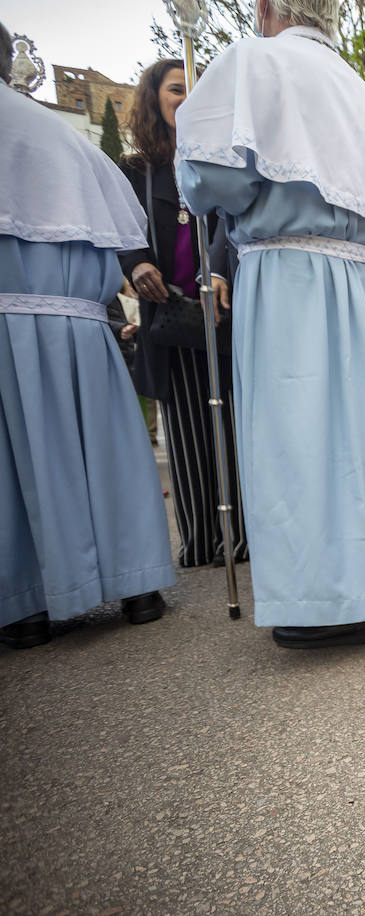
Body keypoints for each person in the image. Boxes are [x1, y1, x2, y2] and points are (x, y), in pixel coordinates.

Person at [173, 0, 365, 649]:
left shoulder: (253, 60)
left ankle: (320, 599)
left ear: (265, 8)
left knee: (296, 432)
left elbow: (212, 179)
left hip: (289, 273)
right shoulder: (360, 92)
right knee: (364, 438)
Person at [0, 22, 175, 650]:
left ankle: (23, 601)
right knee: (105, 445)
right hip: (80, 320)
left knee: (19, 461)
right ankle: (137, 585)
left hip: (16, 324)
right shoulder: (63, 139)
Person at [118, 58, 249, 569]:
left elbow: (229, 228)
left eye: (195, 91)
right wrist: (136, 263)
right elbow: (122, 235)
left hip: (219, 311)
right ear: (154, 99)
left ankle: (240, 534)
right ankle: (199, 538)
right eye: (176, 90)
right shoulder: (134, 170)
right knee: (189, 432)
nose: (186, 99)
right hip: (167, 314)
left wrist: (217, 269)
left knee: (231, 426)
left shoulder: (219, 161)